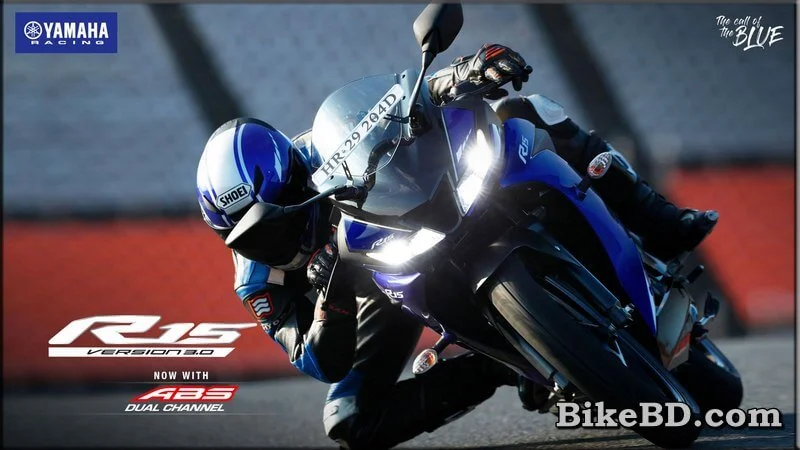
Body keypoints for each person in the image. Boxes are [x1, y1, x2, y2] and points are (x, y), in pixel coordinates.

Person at [195, 44, 717, 450]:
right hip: (372, 291)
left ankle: (659, 220)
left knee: (523, 108)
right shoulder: (259, 282)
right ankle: (507, 362)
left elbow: (404, 101)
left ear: (292, 173)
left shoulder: (319, 148)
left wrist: (469, 70)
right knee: (349, 420)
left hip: (419, 217)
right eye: (255, 234)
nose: (275, 234)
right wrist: (330, 296)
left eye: (282, 208)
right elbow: (317, 359)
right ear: (229, 236)